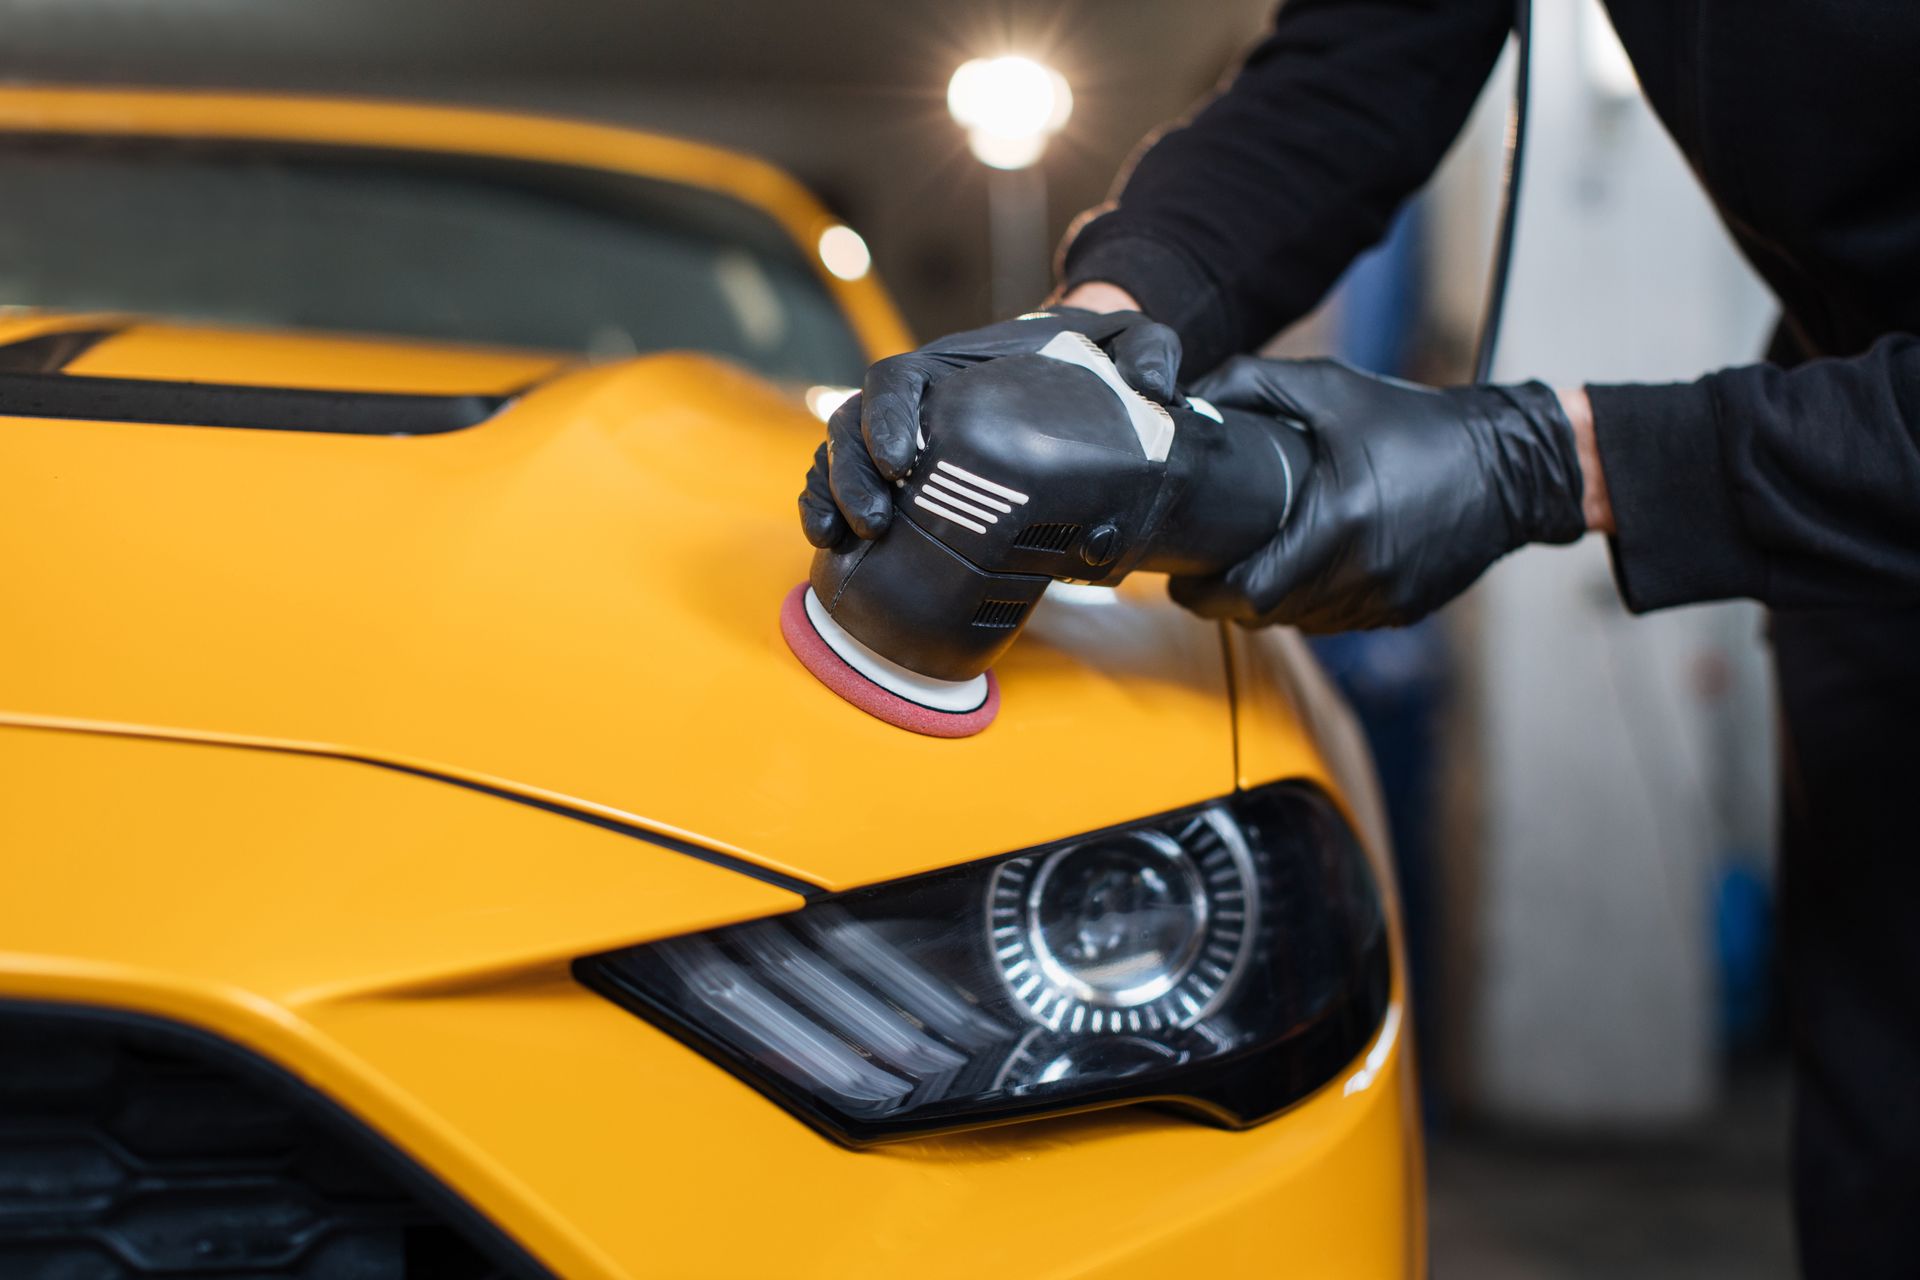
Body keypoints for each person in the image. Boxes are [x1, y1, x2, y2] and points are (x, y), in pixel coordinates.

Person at [799, 3, 1920, 1273]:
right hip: (1865, 555)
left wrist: (1556, 456)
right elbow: (1353, 69)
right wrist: (1093, 337)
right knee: (1885, 1156)